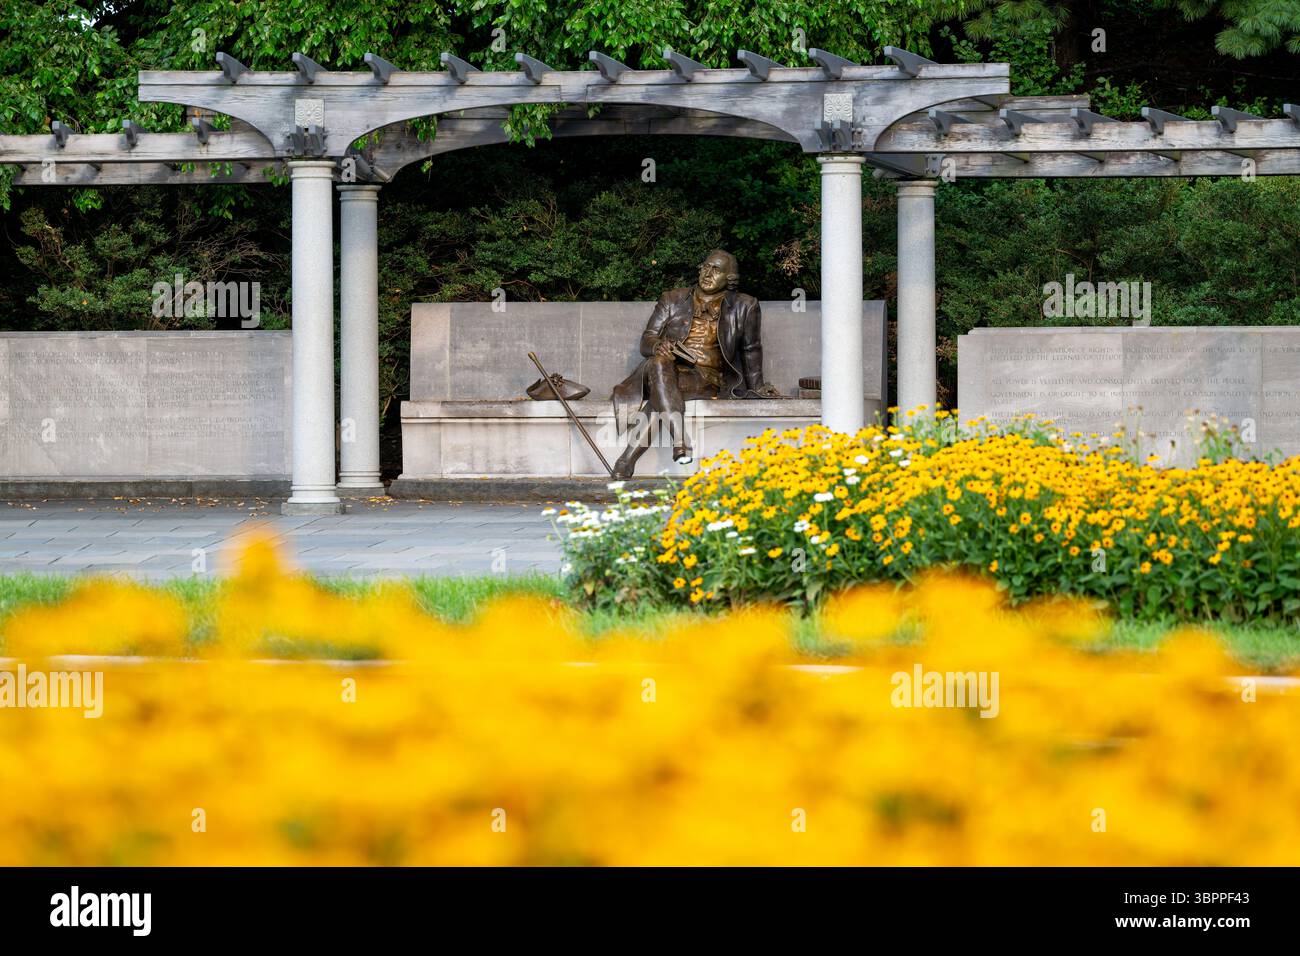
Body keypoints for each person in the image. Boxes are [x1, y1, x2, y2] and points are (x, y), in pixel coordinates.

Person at [610, 249, 781, 479]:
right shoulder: (672, 298)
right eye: (706, 267)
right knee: (659, 363)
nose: (708, 273)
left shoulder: (745, 306)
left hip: (704, 379)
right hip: (664, 369)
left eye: (716, 270)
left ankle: (626, 460)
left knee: (661, 394)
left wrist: (757, 387)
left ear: (729, 278)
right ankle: (680, 441)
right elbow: (647, 339)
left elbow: (750, 350)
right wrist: (657, 346)